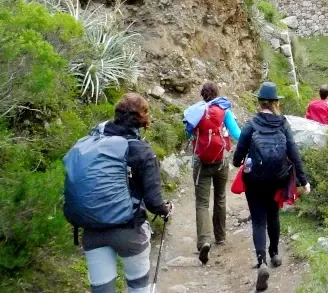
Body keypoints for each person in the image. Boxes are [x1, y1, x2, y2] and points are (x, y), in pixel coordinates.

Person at [64, 93, 173, 293]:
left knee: (102, 289)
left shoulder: (93, 142)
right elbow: (153, 201)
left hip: (92, 230)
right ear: (142, 120)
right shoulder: (142, 151)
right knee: (138, 285)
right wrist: (166, 210)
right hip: (129, 230)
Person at [233, 82, 311, 292]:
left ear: (259, 102)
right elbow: (294, 153)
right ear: (276, 102)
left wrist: (242, 160)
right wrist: (303, 180)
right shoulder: (283, 124)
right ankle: (275, 253)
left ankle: (261, 262)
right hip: (278, 179)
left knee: (258, 221)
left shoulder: (251, 124)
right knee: (273, 216)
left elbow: (237, 157)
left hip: (255, 181)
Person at [186, 82, 241, 264]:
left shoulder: (196, 111)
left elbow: (188, 134)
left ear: (202, 95)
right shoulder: (224, 110)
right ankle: (221, 236)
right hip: (220, 161)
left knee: (202, 203)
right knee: (220, 198)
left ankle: (203, 241)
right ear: (217, 94)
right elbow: (237, 133)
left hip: (201, 162)